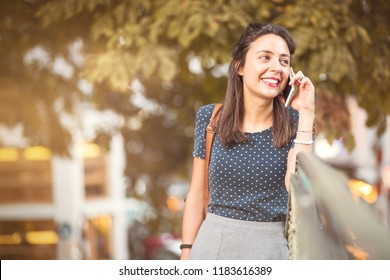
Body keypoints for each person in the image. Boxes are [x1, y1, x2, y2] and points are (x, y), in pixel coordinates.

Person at [180, 22, 315, 260]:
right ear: (240, 66)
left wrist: (306, 112)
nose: (276, 67)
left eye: (284, 61)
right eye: (265, 58)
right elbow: (197, 194)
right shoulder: (210, 119)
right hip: (212, 248)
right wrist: (186, 253)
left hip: (271, 252)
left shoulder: (297, 123)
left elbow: (300, 189)